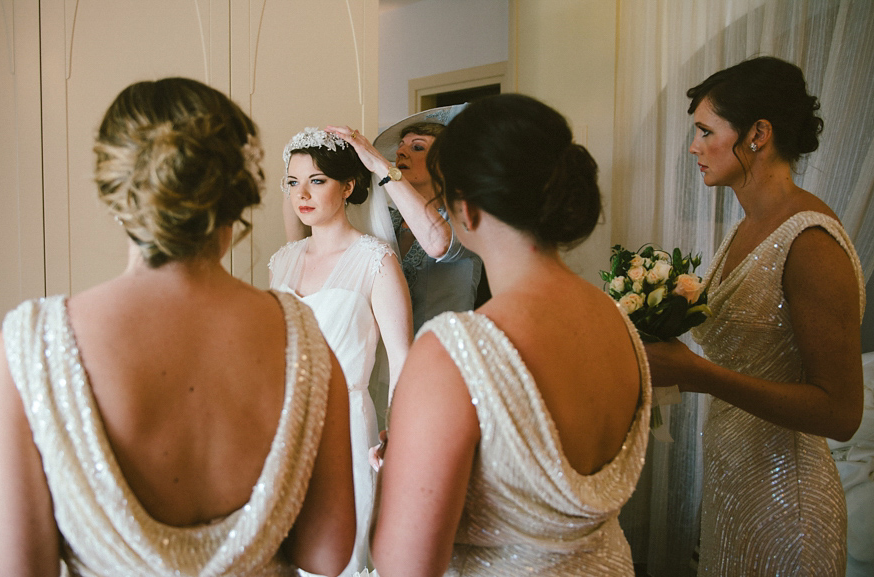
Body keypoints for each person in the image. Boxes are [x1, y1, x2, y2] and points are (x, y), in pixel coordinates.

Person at [0, 78, 357, 577]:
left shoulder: (29, 351)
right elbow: (325, 555)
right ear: (236, 191)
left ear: (117, 191)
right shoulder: (302, 337)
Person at [370, 94, 651, 576]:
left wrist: (399, 472)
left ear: (466, 210)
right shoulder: (615, 321)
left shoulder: (455, 350)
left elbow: (405, 567)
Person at [644, 56, 866, 575]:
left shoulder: (809, 239)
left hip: (789, 503)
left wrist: (702, 375)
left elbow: (842, 413)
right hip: (732, 485)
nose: (694, 147)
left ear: (758, 134)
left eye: (705, 131)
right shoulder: (747, 225)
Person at [269, 128, 412, 576]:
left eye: (317, 180)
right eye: (293, 182)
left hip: (346, 424)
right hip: (285, 422)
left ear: (348, 186)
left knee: (339, 554)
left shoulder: (376, 260)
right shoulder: (283, 260)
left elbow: (403, 360)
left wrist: (401, 442)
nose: (302, 194)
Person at [327, 109, 484, 334]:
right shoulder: (388, 219)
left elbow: (439, 244)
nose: (401, 152)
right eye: (401, 145)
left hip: (444, 354)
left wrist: (381, 165)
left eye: (417, 147)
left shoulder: (470, 218)